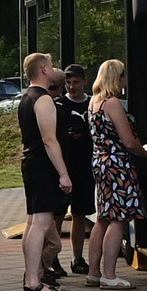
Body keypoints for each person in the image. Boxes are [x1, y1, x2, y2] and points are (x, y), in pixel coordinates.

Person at [16, 53, 72, 291]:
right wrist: (63, 174)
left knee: (32, 222)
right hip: (42, 164)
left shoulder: (26, 98)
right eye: (50, 65)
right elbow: (50, 140)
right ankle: (33, 282)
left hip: (30, 162)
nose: (53, 68)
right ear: (43, 70)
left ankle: (33, 276)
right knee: (42, 223)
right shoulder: (44, 100)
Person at [85, 61, 143, 290]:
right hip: (118, 164)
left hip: (100, 162)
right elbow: (128, 141)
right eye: (123, 76)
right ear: (116, 78)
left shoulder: (94, 103)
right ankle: (110, 275)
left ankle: (94, 272)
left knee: (103, 218)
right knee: (119, 218)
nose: (126, 80)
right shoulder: (113, 103)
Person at [56, 67, 94, 279]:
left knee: (80, 213)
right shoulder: (59, 104)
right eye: (68, 83)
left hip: (84, 166)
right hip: (64, 164)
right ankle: (53, 258)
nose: (71, 86)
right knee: (58, 214)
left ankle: (78, 257)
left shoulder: (93, 104)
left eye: (76, 82)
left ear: (84, 82)